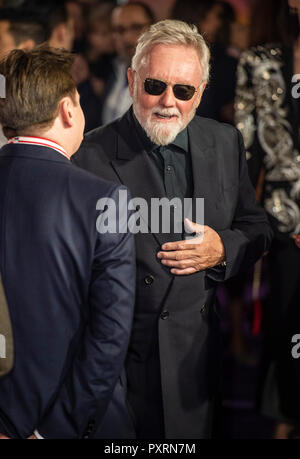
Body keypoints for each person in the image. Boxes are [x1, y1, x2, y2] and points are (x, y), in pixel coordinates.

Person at [73, 19, 273, 439]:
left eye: (183, 91)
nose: (168, 101)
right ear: (131, 80)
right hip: (117, 366)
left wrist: (222, 250)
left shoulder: (224, 142)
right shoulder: (88, 155)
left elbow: (256, 227)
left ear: (200, 93)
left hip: (194, 364)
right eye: (154, 86)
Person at [0, 45, 136, 439]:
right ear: (67, 109)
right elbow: (109, 336)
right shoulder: (106, 199)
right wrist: (50, 431)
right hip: (76, 425)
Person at [235, 0, 300, 440]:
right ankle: (285, 416)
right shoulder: (260, 63)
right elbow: (243, 154)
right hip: (284, 222)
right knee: (287, 326)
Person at [100, 1, 154, 125]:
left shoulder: (164, 74)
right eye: (119, 30)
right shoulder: (112, 70)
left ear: (152, 28)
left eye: (136, 27)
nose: (127, 37)